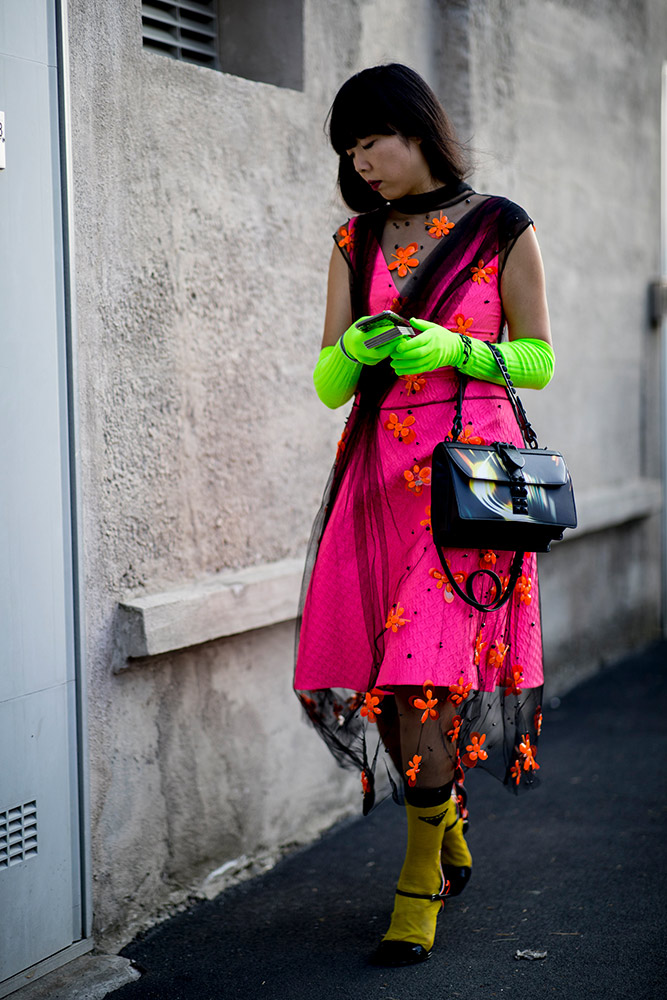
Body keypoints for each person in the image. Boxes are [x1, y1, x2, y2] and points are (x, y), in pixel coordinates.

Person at [294, 63, 553, 967]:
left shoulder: (499, 226)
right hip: (377, 484)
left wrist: (458, 349)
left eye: (373, 139)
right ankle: (443, 836)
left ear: (418, 129)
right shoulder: (351, 242)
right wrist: (356, 352)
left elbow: (538, 363)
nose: (361, 160)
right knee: (395, 685)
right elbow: (329, 384)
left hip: (467, 488)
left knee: (424, 680)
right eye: (349, 148)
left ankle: (416, 883)